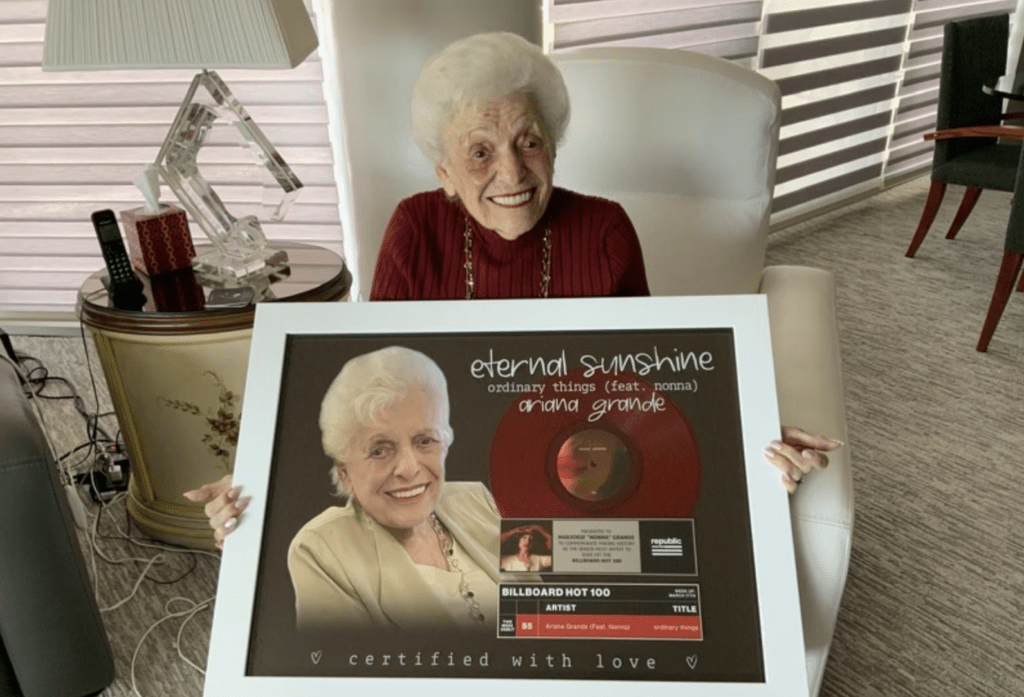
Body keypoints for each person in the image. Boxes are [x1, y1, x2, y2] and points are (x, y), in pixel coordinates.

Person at [186, 32, 840, 548]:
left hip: (577, 471)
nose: (511, 170)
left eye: (530, 140)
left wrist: (751, 430)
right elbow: (370, 393)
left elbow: (651, 380)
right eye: (479, 151)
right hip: (451, 485)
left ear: (553, 148)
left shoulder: (605, 229)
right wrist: (262, 487)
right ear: (443, 170)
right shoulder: (416, 229)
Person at [295, 346, 499, 631]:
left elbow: (567, 556)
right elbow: (338, 663)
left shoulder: (473, 499)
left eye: (425, 441)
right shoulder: (323, 547)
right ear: (345, 474)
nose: (409, 468)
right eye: (379, 450)